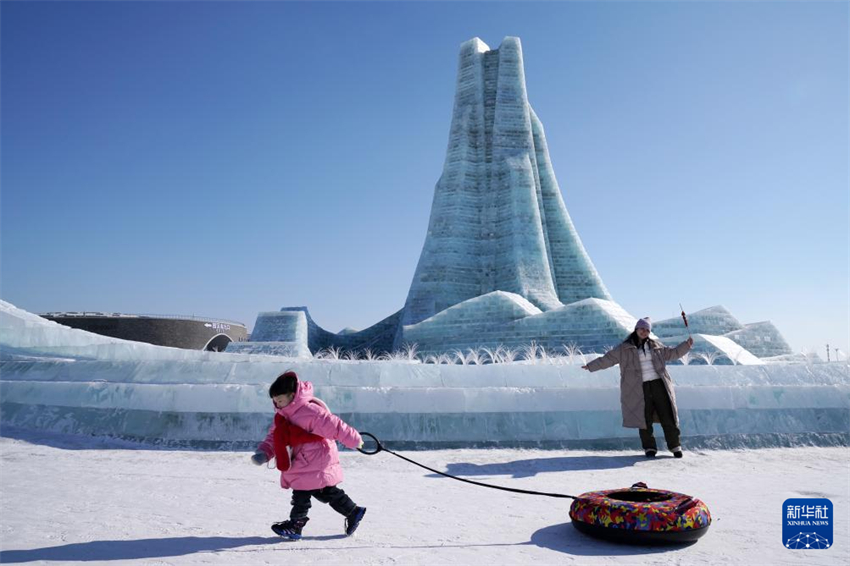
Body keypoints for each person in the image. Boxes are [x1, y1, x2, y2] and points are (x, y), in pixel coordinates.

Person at [251, 370, 366, 540]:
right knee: (324, 491)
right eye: (275, 401)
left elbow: (335, 426)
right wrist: (265, 453)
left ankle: (296, 525)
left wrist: (354, 440)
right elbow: (274, 437)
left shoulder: (311, 412)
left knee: (302, 491)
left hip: (316, 459)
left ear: (292, 395)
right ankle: (353, 511)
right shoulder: (283, 415)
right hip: (301, 461)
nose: (277, 404)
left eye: (280, 400)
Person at [581, 317, 693, 458]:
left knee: (667, 415)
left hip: (659, 384)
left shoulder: (655, 345)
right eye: (642, 329)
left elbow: (672, 353)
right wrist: (591, 366)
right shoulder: (624, 348)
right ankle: (649, 448)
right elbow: (608, 359)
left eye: (647, 330)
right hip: (638, 387)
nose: (644, 332)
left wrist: (686, 345)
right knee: (643, 418)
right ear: (636, 329)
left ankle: (675, 446)